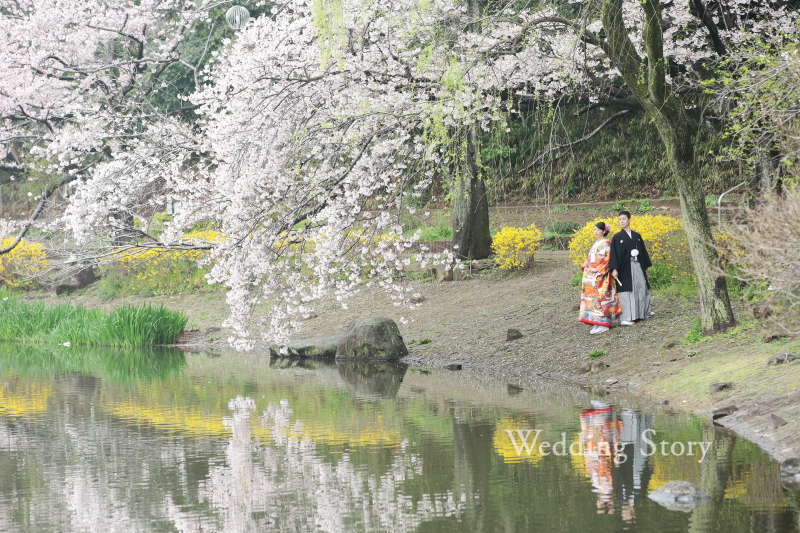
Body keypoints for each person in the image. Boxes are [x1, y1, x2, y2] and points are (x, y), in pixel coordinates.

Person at [609, 211, 653, 325]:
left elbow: (642, 252)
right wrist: (614, 269)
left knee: (641, 287)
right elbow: (614, 254)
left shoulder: (637, 236)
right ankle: (626, 317)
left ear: (630, 220)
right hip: (624, 268)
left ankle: (641, 313)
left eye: (624, 219)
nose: (622, 221)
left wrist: (645, 268)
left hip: (637, 264)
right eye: (620, 219)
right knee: (626, 291)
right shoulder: (617, 237)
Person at [579, 222, 622, 334]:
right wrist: (586, 266)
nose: (595, 232)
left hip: (601, 275)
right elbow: (589, 259)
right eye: (594, 229)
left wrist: (598, 270)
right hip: (592, 274)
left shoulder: (607, 244)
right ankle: (596, 322)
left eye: (598, 230)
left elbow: (607, 259)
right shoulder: (595, 244)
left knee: (602, 298)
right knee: (593, 299)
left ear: (604, 231)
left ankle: (605, 323)